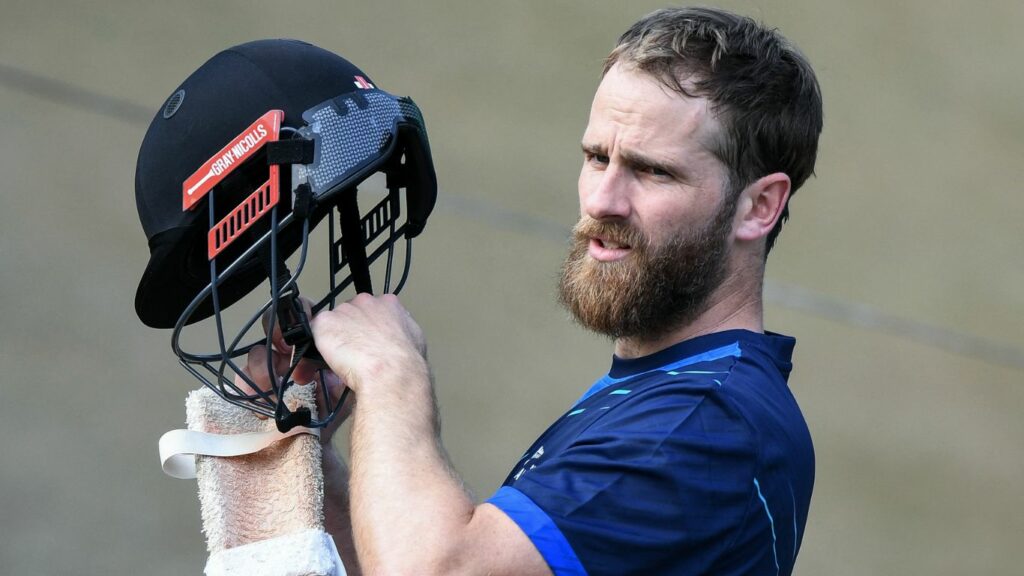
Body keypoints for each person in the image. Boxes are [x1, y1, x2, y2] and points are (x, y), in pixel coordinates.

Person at [247, 7, 822, 575]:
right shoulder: (660, 395)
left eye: (653, 172)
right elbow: (402, 559)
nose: (602, 200)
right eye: (597, 157)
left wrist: (390, 375)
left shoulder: (705, 424)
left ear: (760, 206)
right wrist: (305, 451)